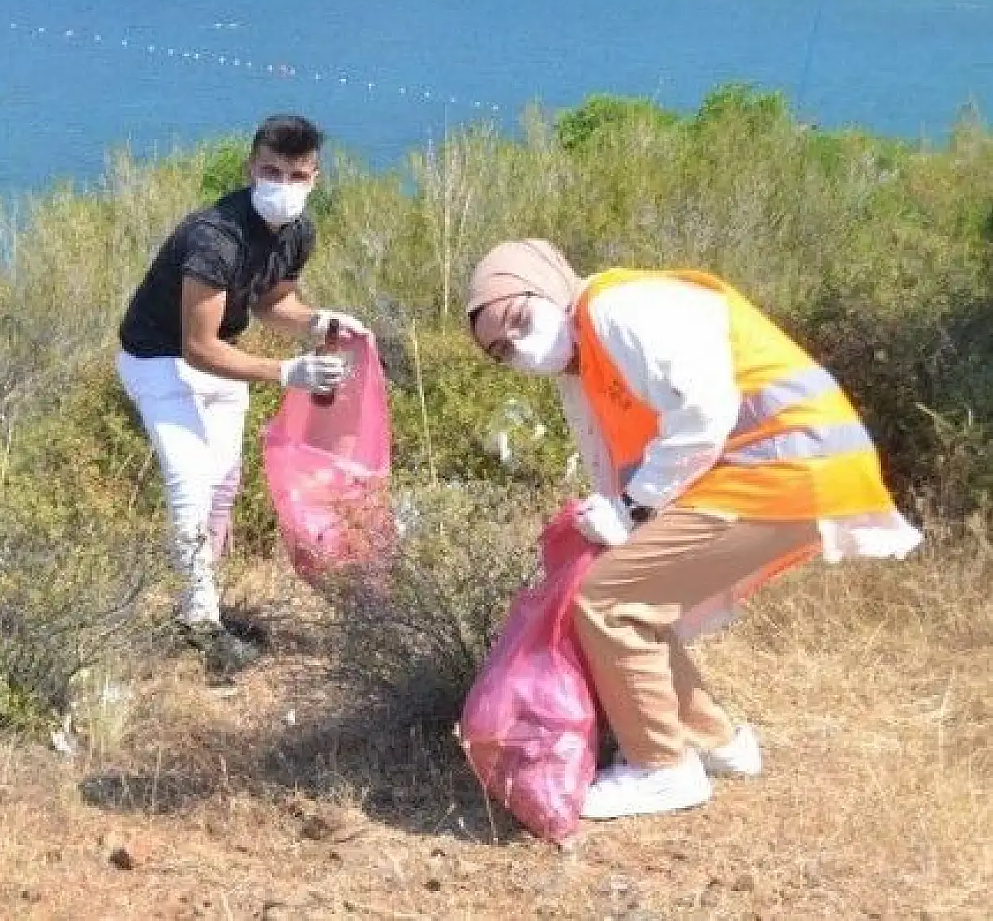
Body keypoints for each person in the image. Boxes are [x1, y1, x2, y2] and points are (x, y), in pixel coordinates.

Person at [464, 239, 923, 821]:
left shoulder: (616, 309)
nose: (522, 349)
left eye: (521, 320)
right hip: (775, 468)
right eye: (503, 352)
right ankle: (718, 744)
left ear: (551, 286)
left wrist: (632, 509)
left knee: (611, 602)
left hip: (785, 462)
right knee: (629, 595)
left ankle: (662, 770)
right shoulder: (582, 364)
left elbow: (704, 412)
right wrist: (611, 520)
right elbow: (610, 466)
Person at [116, 114, 369, 672]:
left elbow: (270, 304)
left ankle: (201, 579)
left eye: (296, 175)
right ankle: (199, 619)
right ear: (250, 168)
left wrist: (319, 322)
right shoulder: (216, 237)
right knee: (191, 477)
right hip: (158, 358)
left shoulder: (298, 233)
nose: (283, 186)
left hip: (219, 358)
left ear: (315, 178)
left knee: (225, 483)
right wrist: (286, 373)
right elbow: (197, 347)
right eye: (271, 171)